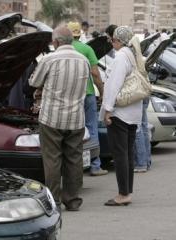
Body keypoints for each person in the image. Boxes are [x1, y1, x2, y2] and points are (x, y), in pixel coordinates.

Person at [29, 25, 90, 211]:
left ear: (55, 42)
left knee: (52, 159)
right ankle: (72, 200)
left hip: (52, 118)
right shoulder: (84, 60)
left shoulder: (49, 59)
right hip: (76, 119)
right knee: (74, 159)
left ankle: (53, 201)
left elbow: (34, 82)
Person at [100, 26, 144, 206]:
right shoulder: (135, 57)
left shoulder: (120, 58)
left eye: (113, 40)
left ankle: (123, 194)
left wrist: (107, 110)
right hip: (133, 114)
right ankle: (127, 191)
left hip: (119, 114)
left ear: (118, 41)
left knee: (120, 156)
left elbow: (113, 85)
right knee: (127, 155)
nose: (112, 43)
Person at [67, 21, 108, 176]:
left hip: (70, 96)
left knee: (73, 131)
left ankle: (75, 166)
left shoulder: (61, 50)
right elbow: (96, 74)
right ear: (79, 34)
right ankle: (95, 165)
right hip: (88, 94)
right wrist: (102, 91)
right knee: (92, 128)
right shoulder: (87, 49)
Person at [134, 98, 152, 172]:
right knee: (144, 128)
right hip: (144, 93)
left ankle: (141, 163)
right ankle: (146, 162)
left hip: (135, 95)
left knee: (137, 128)